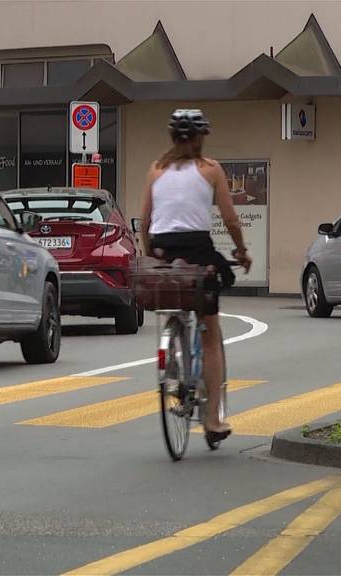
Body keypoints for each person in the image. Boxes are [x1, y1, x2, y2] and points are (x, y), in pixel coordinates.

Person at [139, 109, 252, 438]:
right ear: (201, 138)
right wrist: (241, 251)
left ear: (172, 138)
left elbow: (145, 222)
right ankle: (213, 420)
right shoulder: (211, 169)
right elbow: (230, 220)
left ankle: (172, 364)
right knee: (210, 334)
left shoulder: (155, 170)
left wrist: (152, 256)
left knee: (176, 305)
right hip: (198, 251)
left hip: (163, 249)